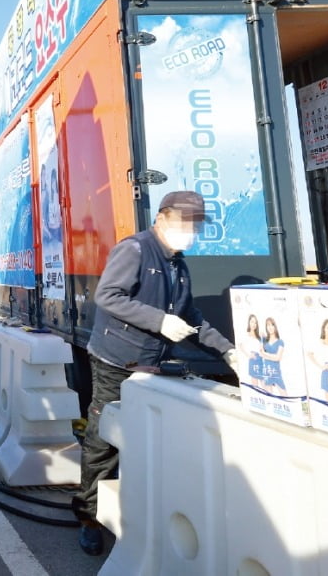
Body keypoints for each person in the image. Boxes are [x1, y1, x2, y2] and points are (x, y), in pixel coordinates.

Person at [72, 190, 240, 556]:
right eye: (184, 223)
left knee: (144, 443)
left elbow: (191, 316)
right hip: (115, 362)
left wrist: (226, 349)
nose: (190, 232)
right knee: (103, 443)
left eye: (195, 226)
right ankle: (88, 518)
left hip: (152, 366)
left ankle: (133, 513)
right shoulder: (135, 250)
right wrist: (159, 320)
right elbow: (109, 296)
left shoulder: (178, 265)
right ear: (162, 218)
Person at [260, 317, 286, 393]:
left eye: (272, 325)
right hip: (267, 372)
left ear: (275, 327)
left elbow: (278, 358)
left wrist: (265, 354)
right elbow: (261, 353)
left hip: (276, 373)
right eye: (268, 325)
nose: (270, 327)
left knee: (284, 395)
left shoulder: (280, 342)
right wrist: (262, 338)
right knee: (269, 397)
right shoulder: (265, 341)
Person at [242, 314, 265, 391]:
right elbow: (240, 345)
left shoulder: (259, 335)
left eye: (255, 323)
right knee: (255, 384)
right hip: (253, 359)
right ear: (249, 322)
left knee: (264, 382)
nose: (254, 324)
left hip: (261, 359)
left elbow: (262, 349)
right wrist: (248, 355)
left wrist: (263, 338)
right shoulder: (246, 334)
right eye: (252, 322)